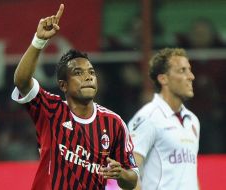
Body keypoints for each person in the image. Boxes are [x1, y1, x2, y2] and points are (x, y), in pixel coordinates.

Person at [11, 4, 138, 190]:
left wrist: (121, 174)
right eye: (78, 73)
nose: (88, 77)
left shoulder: (114, 123)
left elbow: (132, 179)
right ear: (63, 85)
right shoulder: (51, 110)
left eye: (91, 72)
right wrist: (38, 41)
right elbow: (22, 81)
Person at [128, 48, 200, 190]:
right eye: (182, 70)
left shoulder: (193, 120)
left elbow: (190, 174)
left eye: (190, 70)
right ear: (163, 79)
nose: (191, 76)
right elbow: (127, 172)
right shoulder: (148, 117)